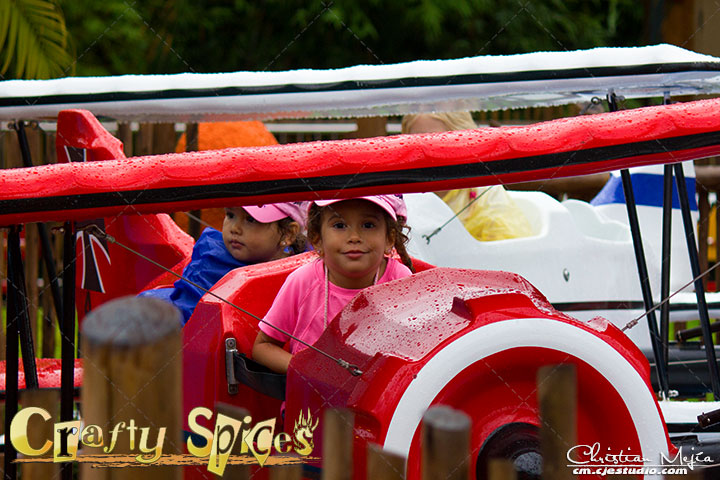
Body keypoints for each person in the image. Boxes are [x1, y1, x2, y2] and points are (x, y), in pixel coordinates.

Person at [252, 195, 413, 374]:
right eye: (339, 225)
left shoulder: (401, 280)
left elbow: (416, 348)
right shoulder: (302, 281)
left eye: (368, 225)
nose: (354, 237)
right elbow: (263, 347)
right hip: (309, 399)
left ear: (390, 239)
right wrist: (308, 370)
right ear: (317, 238)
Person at [140, 202, 308, 326]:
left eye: (250, 220)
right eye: (230, 215)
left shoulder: (303, 269)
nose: (235, 228)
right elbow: (189, 316)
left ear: (289, 234)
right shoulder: (211, 262)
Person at [402, 112, 534, 241]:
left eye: (436, 143)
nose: (425, 153)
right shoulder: (401, 193)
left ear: (463, 143)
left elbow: (508, 253)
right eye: (415, 144)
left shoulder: (487, 196)